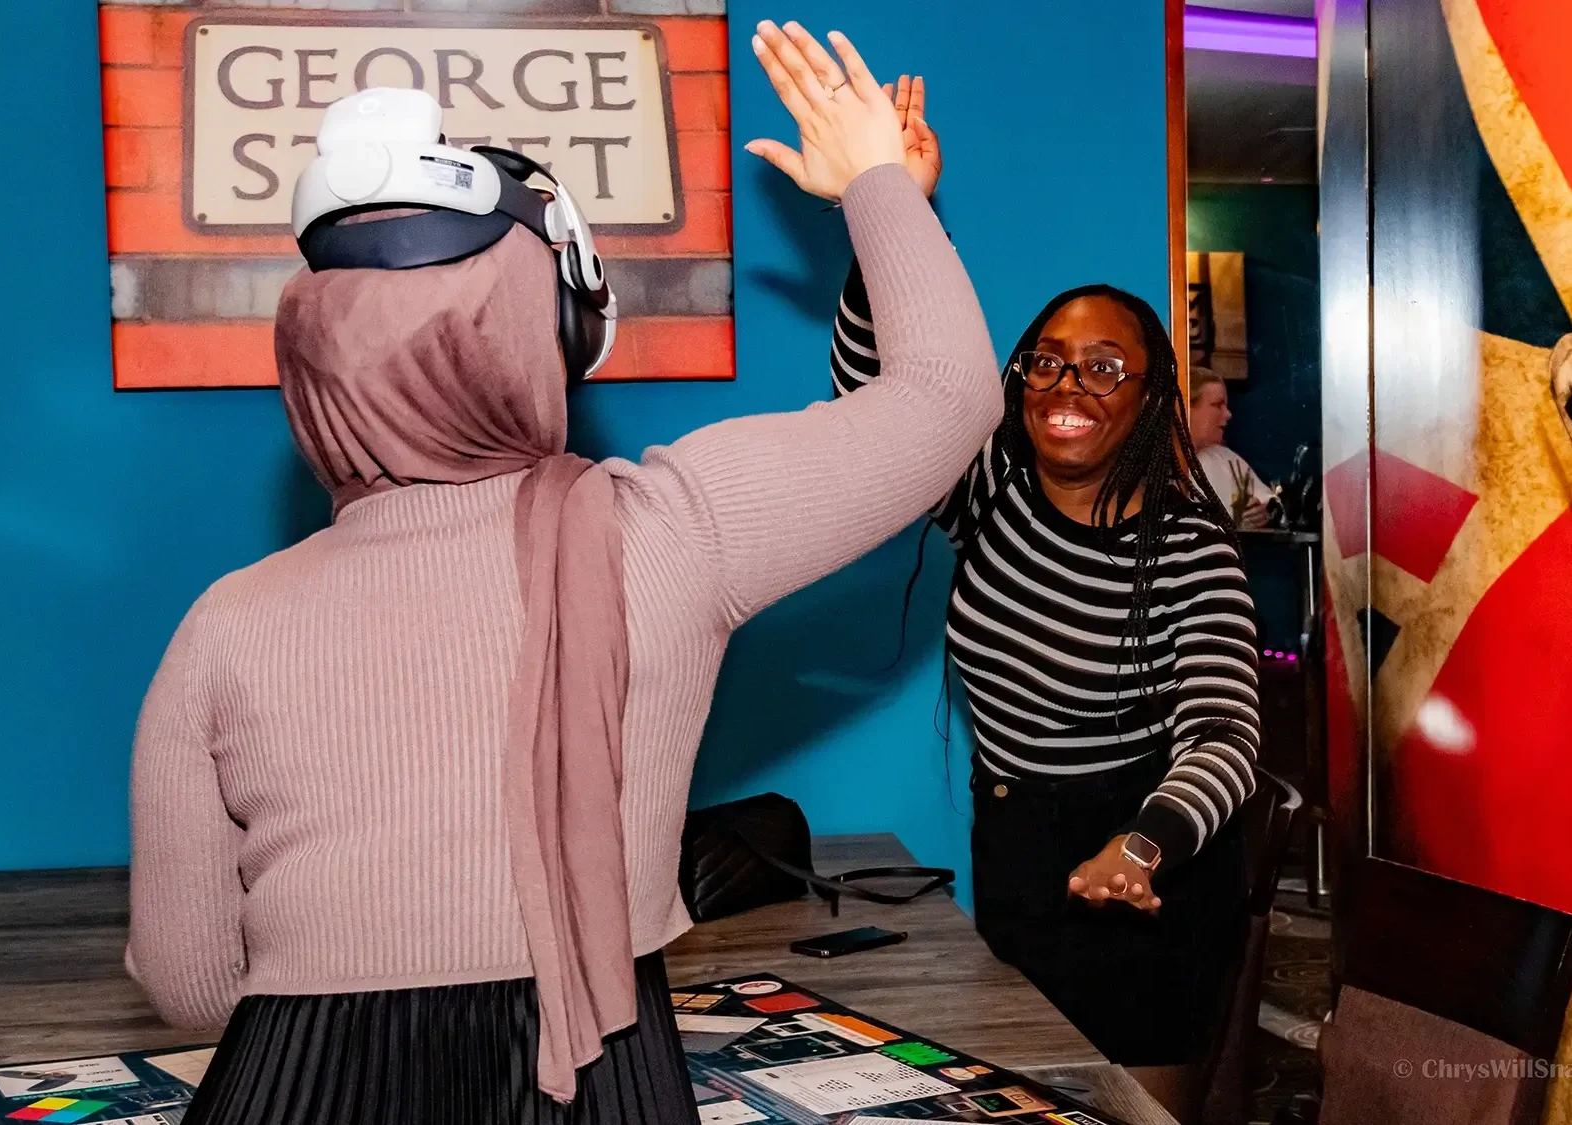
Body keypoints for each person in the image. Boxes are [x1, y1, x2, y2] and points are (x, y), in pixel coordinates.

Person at [125, 21, 1002, 1125]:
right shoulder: (672, 534)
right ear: (564, 329)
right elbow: (947, 399)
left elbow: (192, 985)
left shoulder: (223, 625)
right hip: (594, 1081)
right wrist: (880, 180)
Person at [807, 72, 1262, 1123]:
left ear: (1152, 399)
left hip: (1149, 873)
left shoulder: (1190, 551)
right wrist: (892, 208)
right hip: (1015, 849)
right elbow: (875, 405)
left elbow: (1225, 736)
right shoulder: (989, 496)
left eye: (1106, 367)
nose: (1068, 387)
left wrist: (1143, 842)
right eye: (1046, 363)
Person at [1189, 366, 1273, 530]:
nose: (1228, 414)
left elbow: (1269, 503)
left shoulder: (1227, 459)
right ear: (1186, 408)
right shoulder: (1153, 463)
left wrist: (1264, 512)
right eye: (1217, 405)